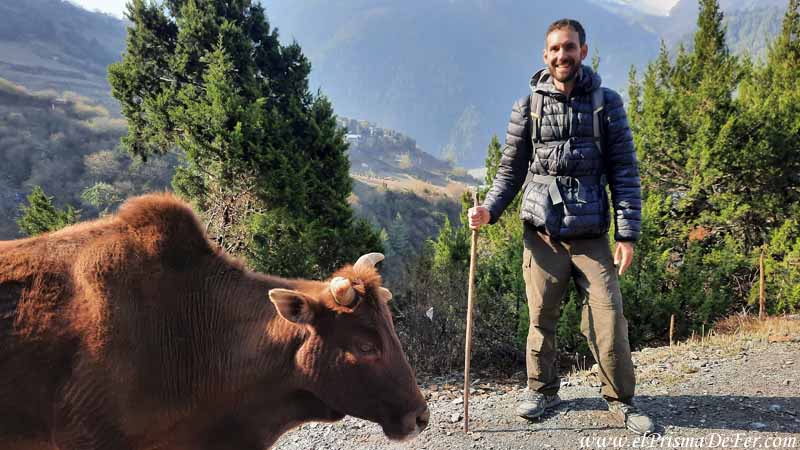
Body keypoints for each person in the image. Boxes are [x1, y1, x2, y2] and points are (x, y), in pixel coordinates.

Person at [467, 18, 654, 435]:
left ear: (583, 51)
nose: (561, 55)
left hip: (592, 235)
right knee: (540, 318)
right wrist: (489, 211)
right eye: (554, 49)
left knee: (609, 317)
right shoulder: (528, 107)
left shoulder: (607, 104)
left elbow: (625, 171)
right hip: (542, 234)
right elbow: (510, 172)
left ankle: (620, 401)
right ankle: (542, 390)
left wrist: (627, 235)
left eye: (569, 47)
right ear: (545, 55)